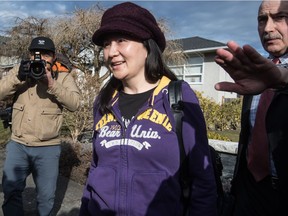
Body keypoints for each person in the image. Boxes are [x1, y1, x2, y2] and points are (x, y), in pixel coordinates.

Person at [79, 2, 217, 216]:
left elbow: (202, 179)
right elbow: (96, 169)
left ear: (147, 46)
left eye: (121, 40)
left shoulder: (178, 97)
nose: (111, 52)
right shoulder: (104, 102)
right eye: (106, 44)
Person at [215, 0, 288, 215]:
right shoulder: (256, 74)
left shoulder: (270, 75)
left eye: (280, 17)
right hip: (249, 191)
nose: (268, 28)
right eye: (262, 20)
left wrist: (282, 79)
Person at [0, 36, 80, 216]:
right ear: (30, 55)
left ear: (53, 57)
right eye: (37, 53)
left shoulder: (63, 76)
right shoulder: (19, 72)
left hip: (48, 148)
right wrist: (17, 78)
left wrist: (51, 83)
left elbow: (75, 104)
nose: (41, 58)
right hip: (18, 145)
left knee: (46, 197)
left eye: (46, 54)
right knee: (11, 191)